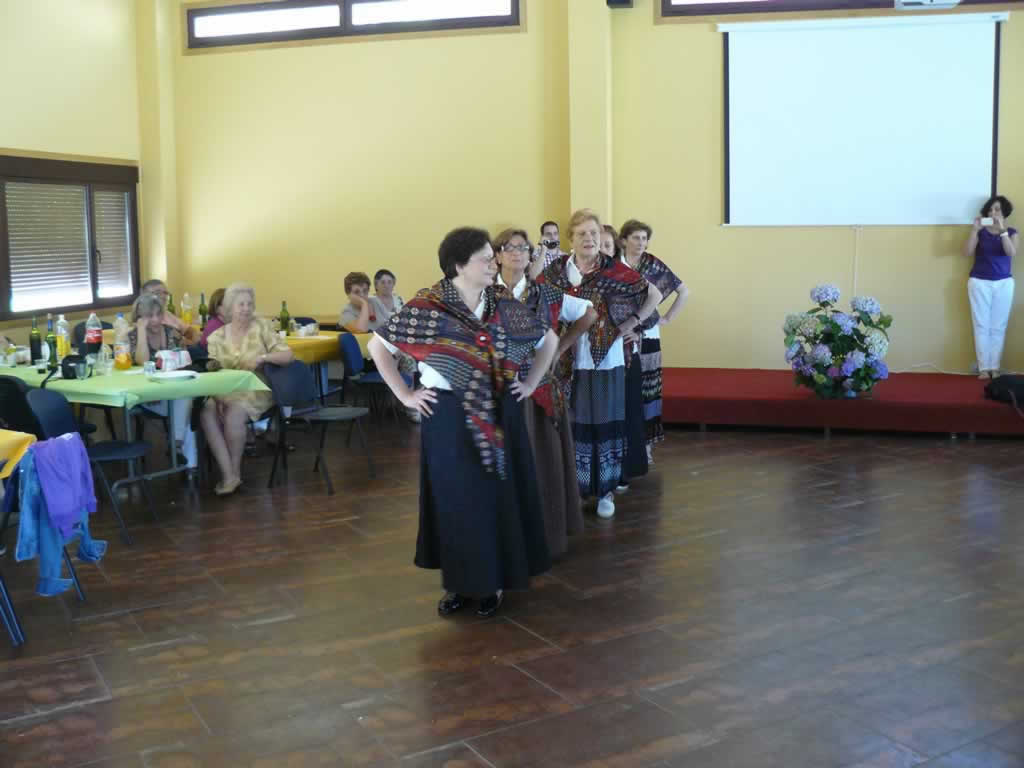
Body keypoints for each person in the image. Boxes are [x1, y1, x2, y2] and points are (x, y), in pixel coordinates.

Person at [368, 227, 559, 618]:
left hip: (499, 410)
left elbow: (549, 341)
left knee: (494, 497)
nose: (493, 263)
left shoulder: (502, 304)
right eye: (485, 258)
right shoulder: (428, 306)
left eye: (493, 257)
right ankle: (459, 583)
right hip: (448, 414)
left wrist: (529, 383)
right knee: (455, 499)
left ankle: (492, 582)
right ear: (458, 265)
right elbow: (377, 346)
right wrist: (405, 395)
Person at [539, 209, 661, 519]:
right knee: (573, 424)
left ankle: (605, 490)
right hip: (565, 359)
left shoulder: (614, 270)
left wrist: (632, 323)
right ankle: (575, 490)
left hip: (606, 360)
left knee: (606, 424)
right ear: (571, 238)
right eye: (582, 233)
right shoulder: (556, 272)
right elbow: (536, 300)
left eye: (593, 233)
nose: (589, 239)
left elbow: (654, 294)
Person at [494, 227, 597, 559]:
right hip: (495, 392)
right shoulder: (483, 295)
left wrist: (559, 348)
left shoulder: (548, 294)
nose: (517, 253)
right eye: (510, 248)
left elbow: (589, 313)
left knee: (542, 463)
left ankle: (543, 538)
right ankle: (505, 538)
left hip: (537, 392)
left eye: (523, 248)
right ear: (497, 255)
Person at [203, 283, 294, 495]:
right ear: (229, 307)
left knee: (235, 411)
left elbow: (288, 356)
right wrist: (218, 397)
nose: (246, 308)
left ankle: (233, 473)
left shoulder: (262, 327)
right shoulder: (216, 337)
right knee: (205, 409)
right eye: (241, 304)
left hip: (256, 387)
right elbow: (212, 371)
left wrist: (263, 357)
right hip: (223, 389)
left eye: (249, 304)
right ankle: (228, 472)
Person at [619, 219, 688, 461]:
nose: (641, 243)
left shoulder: (652, 264)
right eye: (636, 238)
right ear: (624, 240)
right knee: (624, 390)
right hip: (621, 334)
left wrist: (667, 318)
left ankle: (646, 446)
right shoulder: (615, 264)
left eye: (644, 238)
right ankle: (624, 445)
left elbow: (683, 291)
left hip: (648, 335)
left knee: (648, 391)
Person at [128, 293, 198, 468]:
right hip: (148, 396)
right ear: (139, 318)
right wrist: (141, 331)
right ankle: (184, 459)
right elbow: (142, 361)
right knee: (187, 404)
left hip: (172, 391)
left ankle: (177, 446)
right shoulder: (133, 336)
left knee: (186, 400)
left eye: (158, 314)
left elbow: (183, 360)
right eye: (149, 316)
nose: (155, 320)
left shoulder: (171, 332)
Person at [964, 195, 1019, 379]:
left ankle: (994, 367)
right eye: (990, 209)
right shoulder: (980, 232)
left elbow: (1011, 252)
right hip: (979, 282)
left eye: (997, 209)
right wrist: (974, 230)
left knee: (998, 326)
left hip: (1004, 283)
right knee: (981, 325)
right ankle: (983, 368)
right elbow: (967, 252)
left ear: (1004, 213)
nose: (992, 213)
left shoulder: (1011, 232)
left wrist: (1002, 231)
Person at [141, 279, 200, 346]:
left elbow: (187, 329)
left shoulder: (166, 313)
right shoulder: (143, 320)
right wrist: (192, 343)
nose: (163, 296)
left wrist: (195, 335)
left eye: (165, 293)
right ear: (144, 296)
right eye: (157, 293)